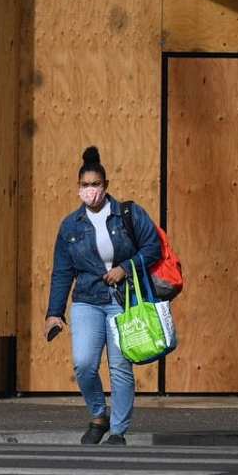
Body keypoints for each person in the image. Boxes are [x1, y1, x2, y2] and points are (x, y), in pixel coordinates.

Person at [45, 145, 161, 445]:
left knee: (121, 366)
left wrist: (126, 267)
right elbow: (62, 271)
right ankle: (99, 415)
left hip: (123, 301)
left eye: (95, 184)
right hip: (87, 299)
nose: (90, 190)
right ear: (78, 188)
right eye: (85, 185)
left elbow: (153, 248)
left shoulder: (128, 214)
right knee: (84, 363)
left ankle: (119, 431)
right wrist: (54, 313)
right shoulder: (71, 225)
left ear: (106, 186)